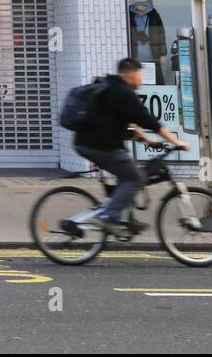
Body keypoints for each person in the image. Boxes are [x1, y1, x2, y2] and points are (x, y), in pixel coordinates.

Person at [72, 58, 189, 231]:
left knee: (127, 170)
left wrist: (148, 141)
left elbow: (130, 123)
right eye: (140, 74)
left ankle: (127, 219)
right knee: (136, 178)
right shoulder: (123, 93)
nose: (141, 78)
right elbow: (150, 121)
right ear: (131, 74)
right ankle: (107, 216)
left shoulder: (111, 87)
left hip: (91, 143)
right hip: (99, 147)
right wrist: (176, 141)